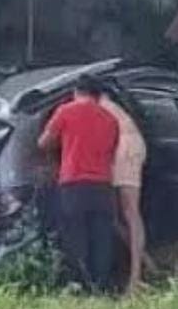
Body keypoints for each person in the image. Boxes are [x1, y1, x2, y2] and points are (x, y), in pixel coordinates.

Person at [38, 76, 120, 294]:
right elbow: (111, 151)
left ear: (76, 91)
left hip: (74, 183)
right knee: (102, 238)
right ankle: (101, 285)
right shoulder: (111, 119)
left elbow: (44, 142)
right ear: (98, 95)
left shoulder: (66, 111)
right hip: (103, 185)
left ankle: (80, 285)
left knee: (75, 235)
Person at [98, 93, 149, 293]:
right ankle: (144, 262)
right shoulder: (106, 105)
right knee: (116, 214)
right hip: (123, 147)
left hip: (126, 149)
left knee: (130, 212)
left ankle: (136, 279)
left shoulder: (99, 106)